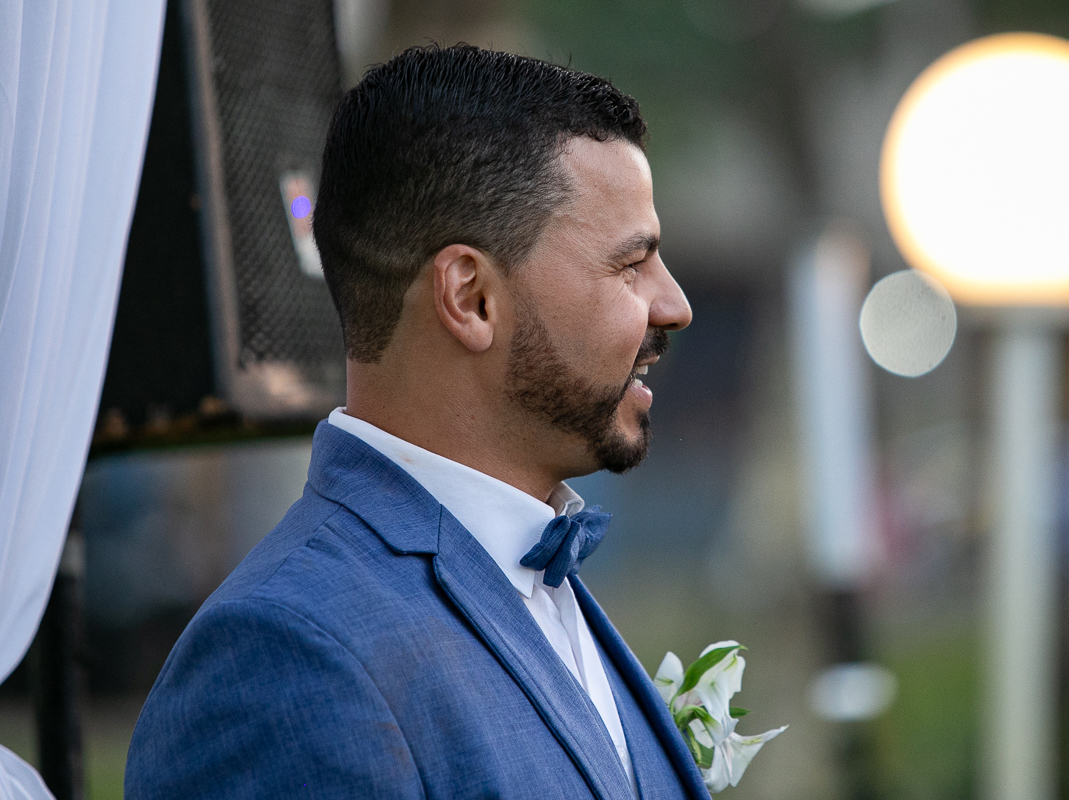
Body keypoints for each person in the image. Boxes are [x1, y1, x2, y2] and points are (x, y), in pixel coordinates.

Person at [125, 44, 703, 799]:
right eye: (632, 264)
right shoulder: (285, 656)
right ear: (469, 297)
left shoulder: (542, 580)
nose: (675, 306)